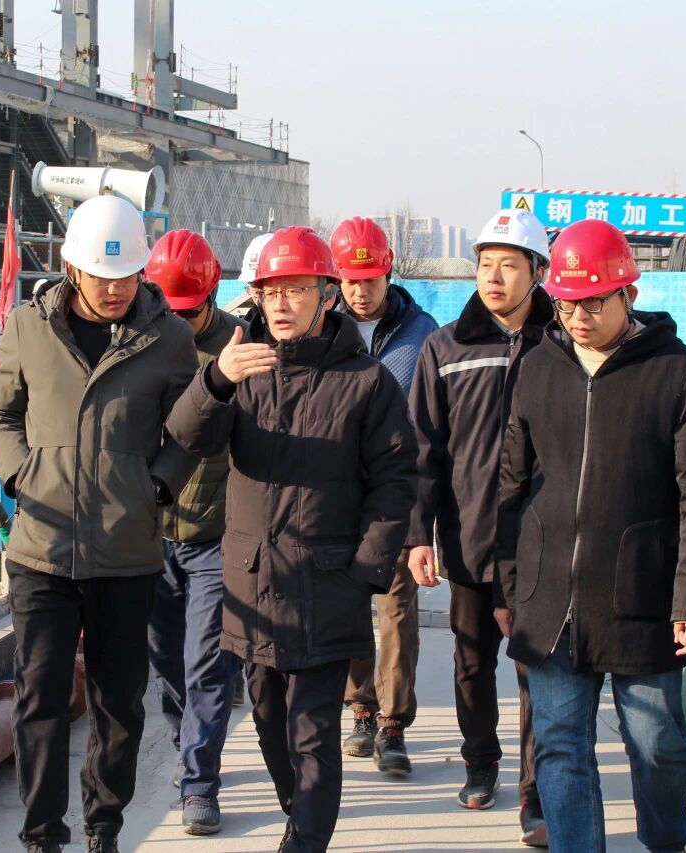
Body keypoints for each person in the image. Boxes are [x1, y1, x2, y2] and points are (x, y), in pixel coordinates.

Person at [166, 226, 417, 853]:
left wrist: (364, 570)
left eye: (296, 289)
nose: (280, 304)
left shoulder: (367, 381)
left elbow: (395, 481)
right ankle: (297, 817)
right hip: (253, 583)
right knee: (270, 724)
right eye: (269, 291)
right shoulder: (242, 366)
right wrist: (215, 381)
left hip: (327, 586)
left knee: (313, 734)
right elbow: (187, 438)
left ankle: (303, 841)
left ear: (326, 293)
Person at [494, 218, 686, 853]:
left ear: (630, 292)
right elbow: (511, 483)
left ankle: (665, 840)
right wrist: (505, 585)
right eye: (567, 302)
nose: (579, 316)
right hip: (549, 600)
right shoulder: (536, 368)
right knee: (560, 745)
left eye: (595, 301)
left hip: (642, 597)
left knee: (658, 743)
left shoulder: (681, 374)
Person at [0, 194, 199, 853]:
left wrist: (156, 485)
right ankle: (43, 834)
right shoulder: (29, 327)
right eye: (102, 275)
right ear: (72, 267)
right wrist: (22, 476)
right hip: (42, 551)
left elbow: (189, 431)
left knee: (119, 702)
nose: (114, 288)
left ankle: (104, 826)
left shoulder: (169, 338)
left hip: (126, 552)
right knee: (39, 698)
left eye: (126, 274)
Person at [407, 208, 553, 844]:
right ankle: (480, 763)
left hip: (542, 543)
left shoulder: (561, 343)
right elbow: (422, 451)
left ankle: (537, 793)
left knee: (538, 673)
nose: (493, 278)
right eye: (486, 265)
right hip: (469, 536)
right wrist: (418, 533)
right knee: (472, 663)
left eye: (509, 266)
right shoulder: (445, 348)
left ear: (537, 272)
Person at [143, 229, 246, 836]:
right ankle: (189, 744)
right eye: (170, 311)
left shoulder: (241, 348)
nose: (180, 324)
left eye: (190, 312)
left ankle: (199, 781)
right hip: (152, 532)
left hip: (216, 533)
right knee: (165, 660)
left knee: (206, 660)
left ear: (211, 296)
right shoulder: (140, 342)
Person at [330, 215, 437, 778]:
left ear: (388, 273)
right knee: (348, 604)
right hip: (338, 493)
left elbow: (435, 422)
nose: (359, 291)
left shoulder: (422, 334)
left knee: (396, 609)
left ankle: (393, 725)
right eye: (350, 281)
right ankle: (362, 710)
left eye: (369, 280)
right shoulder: (324, 329)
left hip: (396, 492)